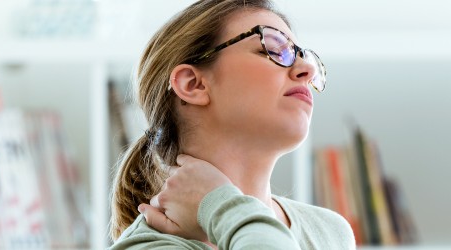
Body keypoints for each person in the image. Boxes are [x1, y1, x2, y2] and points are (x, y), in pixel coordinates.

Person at [107, 0, 354, 249]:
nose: (307, 69)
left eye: (305, 57)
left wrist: (218, 204)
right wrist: (217, 203)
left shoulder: (329, 232)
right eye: (274, 50)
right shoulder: (149, 246)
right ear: (193, 84)